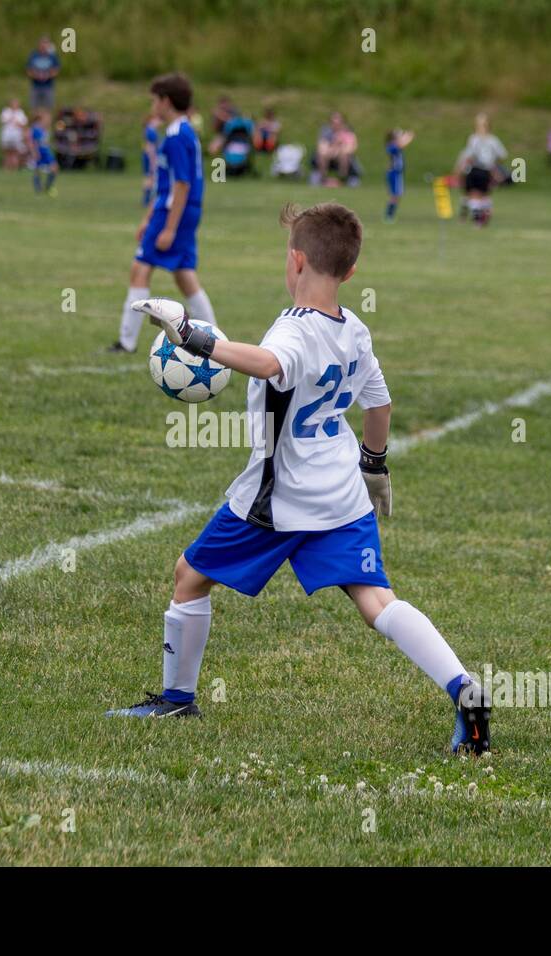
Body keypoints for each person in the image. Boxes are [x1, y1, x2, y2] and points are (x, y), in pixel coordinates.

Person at [106, 202, 492, 756]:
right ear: (350, 271)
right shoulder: (355, 330)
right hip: (342, 496)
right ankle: (464, 689)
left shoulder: (293, 329)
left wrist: (192, 335)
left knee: (189, 575)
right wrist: (375, 465)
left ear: (295, 261)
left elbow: (267, 363)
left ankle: (176, 698)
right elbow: (379, 403)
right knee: (377, 602)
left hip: (277, 500)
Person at [111, 73, 216, 354]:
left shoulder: (175, 136)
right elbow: (166, 185)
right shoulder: (182, 132)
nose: (152, 106)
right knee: (184, 275)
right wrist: (148, 219)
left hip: (175, 212)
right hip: (176, 210)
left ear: (165, 101)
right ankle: (214, 341)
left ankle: (126, 342)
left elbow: (181, 184)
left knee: (140, 269)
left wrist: (169, 227)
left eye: (154, 100)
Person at [455, 113, 507, 226]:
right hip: (474, 169)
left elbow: (502, 155)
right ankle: (477, 219)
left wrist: (494, 167)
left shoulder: (492, 140)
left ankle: (479, 219)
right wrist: (460, 169)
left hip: (484, 170)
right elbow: (468, 155)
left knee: (480, 195)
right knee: (472, 194)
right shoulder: (474, 138)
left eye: (482, 125)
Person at [313, 112, 357, 185]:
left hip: (343, 155)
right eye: (333, 122)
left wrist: (337, 149)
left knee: (344, 156)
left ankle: (342, 179)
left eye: (338, 123)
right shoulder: (326, 132)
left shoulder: (348, 133)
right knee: (321, 155)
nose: (336, 125)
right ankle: (323, 179)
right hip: (329, 155)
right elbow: (321, 147)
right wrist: (333, 149)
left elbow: (351, 148)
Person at [383, 128, 413, 222]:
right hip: (394, 173)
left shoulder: (393, 145)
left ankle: (390, 215)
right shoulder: (391, 146)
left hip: (397, 173)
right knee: (395, 195)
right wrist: (409, 136)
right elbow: (401, 144)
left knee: (397, 195)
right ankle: (389, 215)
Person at [26, 36, 60, 112]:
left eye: (45, 44)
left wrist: (47, 76)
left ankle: (47, 123)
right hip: (35, 86)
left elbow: (56, 70)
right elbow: (28, 70)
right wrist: (36, 76)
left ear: (48, 45)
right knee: (34, 108)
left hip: (48, 86)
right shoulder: (33, 56)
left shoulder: (52, 57)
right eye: (42, 44)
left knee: (48, 109)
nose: (43, 46)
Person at [30, 109, 57, 195]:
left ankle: (47, 187)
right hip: (40, 152)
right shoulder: (36, 128)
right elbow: (35, 142)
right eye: (47, 119)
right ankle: (39, 189)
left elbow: (44, 141)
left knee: (54, 168)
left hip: (47, 152)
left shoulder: (44, 129)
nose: (49, 120)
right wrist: (35, 152)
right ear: (41, 119)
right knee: (37, 170)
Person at [0, 98, 28, 170]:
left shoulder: (20, 113)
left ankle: (15, 167)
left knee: (15, 152)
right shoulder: (6, 111)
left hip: (16, 135)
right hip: (7, 135)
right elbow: (3, 121)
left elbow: (23, 124)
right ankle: (6, 167)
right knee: (7, 152)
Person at [141, 113, 160, 206]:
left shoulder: (149, 129)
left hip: (149, 154)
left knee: (150, 176)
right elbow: (153, 144)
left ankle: (148, 198)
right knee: (150, 176)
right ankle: (147, 199)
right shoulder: (150, 130)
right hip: (150, 155)